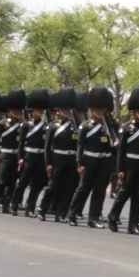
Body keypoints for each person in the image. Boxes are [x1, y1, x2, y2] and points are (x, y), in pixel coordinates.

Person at [106, 86, 139, 233]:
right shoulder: (127, 128)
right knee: (124, 193)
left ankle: (133, 224)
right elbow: (121, 150)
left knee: (138, 196)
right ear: (134, 112)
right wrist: (120, 169)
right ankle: (113, 217)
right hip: (130, 164)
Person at [68, 86, 117, 227]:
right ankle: (72, 214)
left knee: (99, 191)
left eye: (102, 110)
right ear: (92, 110)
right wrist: (79, 164)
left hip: (103, 161)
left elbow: (108, 146)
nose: (100, 112)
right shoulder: (85, 126)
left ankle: (93, 217)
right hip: (89, 160)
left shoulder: (106, 127)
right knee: (83, 189)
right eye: (98, 110)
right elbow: (80, 146)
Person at [38, 88, 79, 222]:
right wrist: (48, 163)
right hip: (57, 158)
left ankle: (61, 213)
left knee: (67, 187)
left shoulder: (74, 126)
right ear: (59, 110)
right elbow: (47, 147)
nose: (67, 112)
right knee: (53, 185)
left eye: (68, 110)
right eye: (64, 109)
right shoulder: (53, 126)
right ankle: (42, 209)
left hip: (71, 159)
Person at [13, 88, 52, 217]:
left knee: (37, 184)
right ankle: (14, 204)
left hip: (40, 157)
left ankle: (31, 207)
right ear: (32, 110)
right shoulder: (26, 125)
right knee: (23, 182)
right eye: (38, 109)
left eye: (41, 110)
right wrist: (20, 157)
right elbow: (21, 143)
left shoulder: (46, 125)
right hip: (28, 155)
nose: (40, 112)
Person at [0, 89, 26, 213]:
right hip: (4, 155)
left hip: (16, 156)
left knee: (12, 182)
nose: (17, 112)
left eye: (19, 111)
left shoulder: (22, 125)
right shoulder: (3, 124)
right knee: (1, 181)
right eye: (15, 110)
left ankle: (6, 204)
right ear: (10, 111)